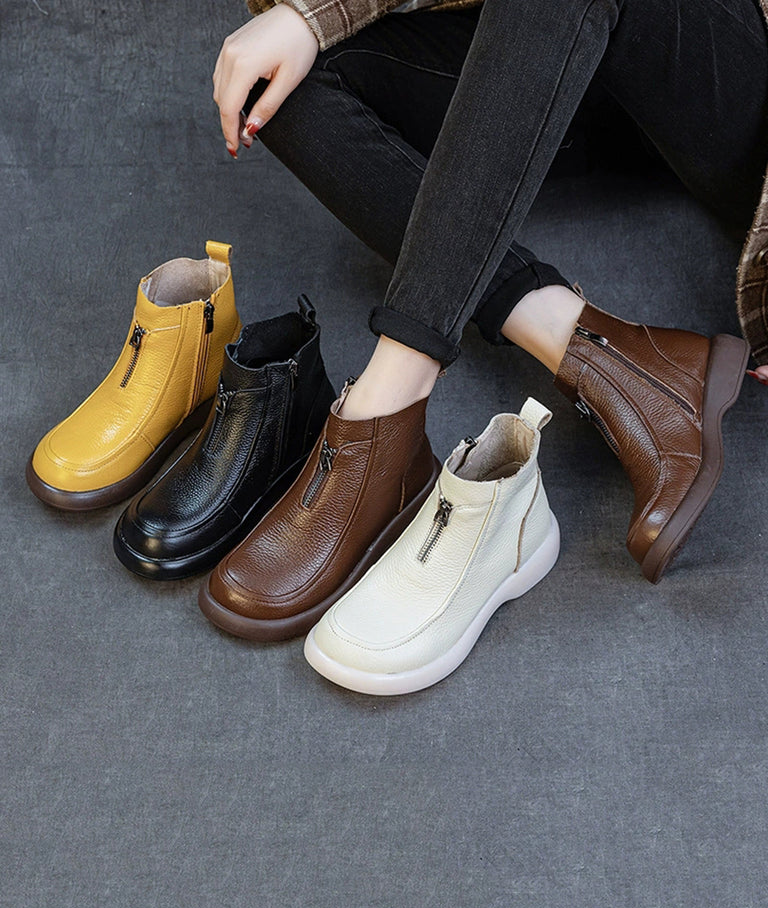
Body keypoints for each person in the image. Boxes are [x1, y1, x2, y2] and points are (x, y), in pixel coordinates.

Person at [200, 0, 768, 633]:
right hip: (559, 57)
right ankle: (604, 353)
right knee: (277, 84)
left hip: (714, 78)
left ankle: (385, 405)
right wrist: (309, 16)